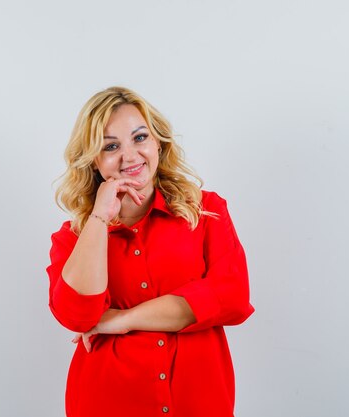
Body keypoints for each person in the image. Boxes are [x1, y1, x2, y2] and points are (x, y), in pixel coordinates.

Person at [46, 86, 254, 417]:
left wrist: (120, 319)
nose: (130, 156)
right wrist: (100, 217)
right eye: (111, 146)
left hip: (200, 403)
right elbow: (77, 316)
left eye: (140, 138)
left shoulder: (205, 211)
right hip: (106, 402)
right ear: (93, 161)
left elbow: (232, 297)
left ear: (158, 142)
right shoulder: (73, 239)